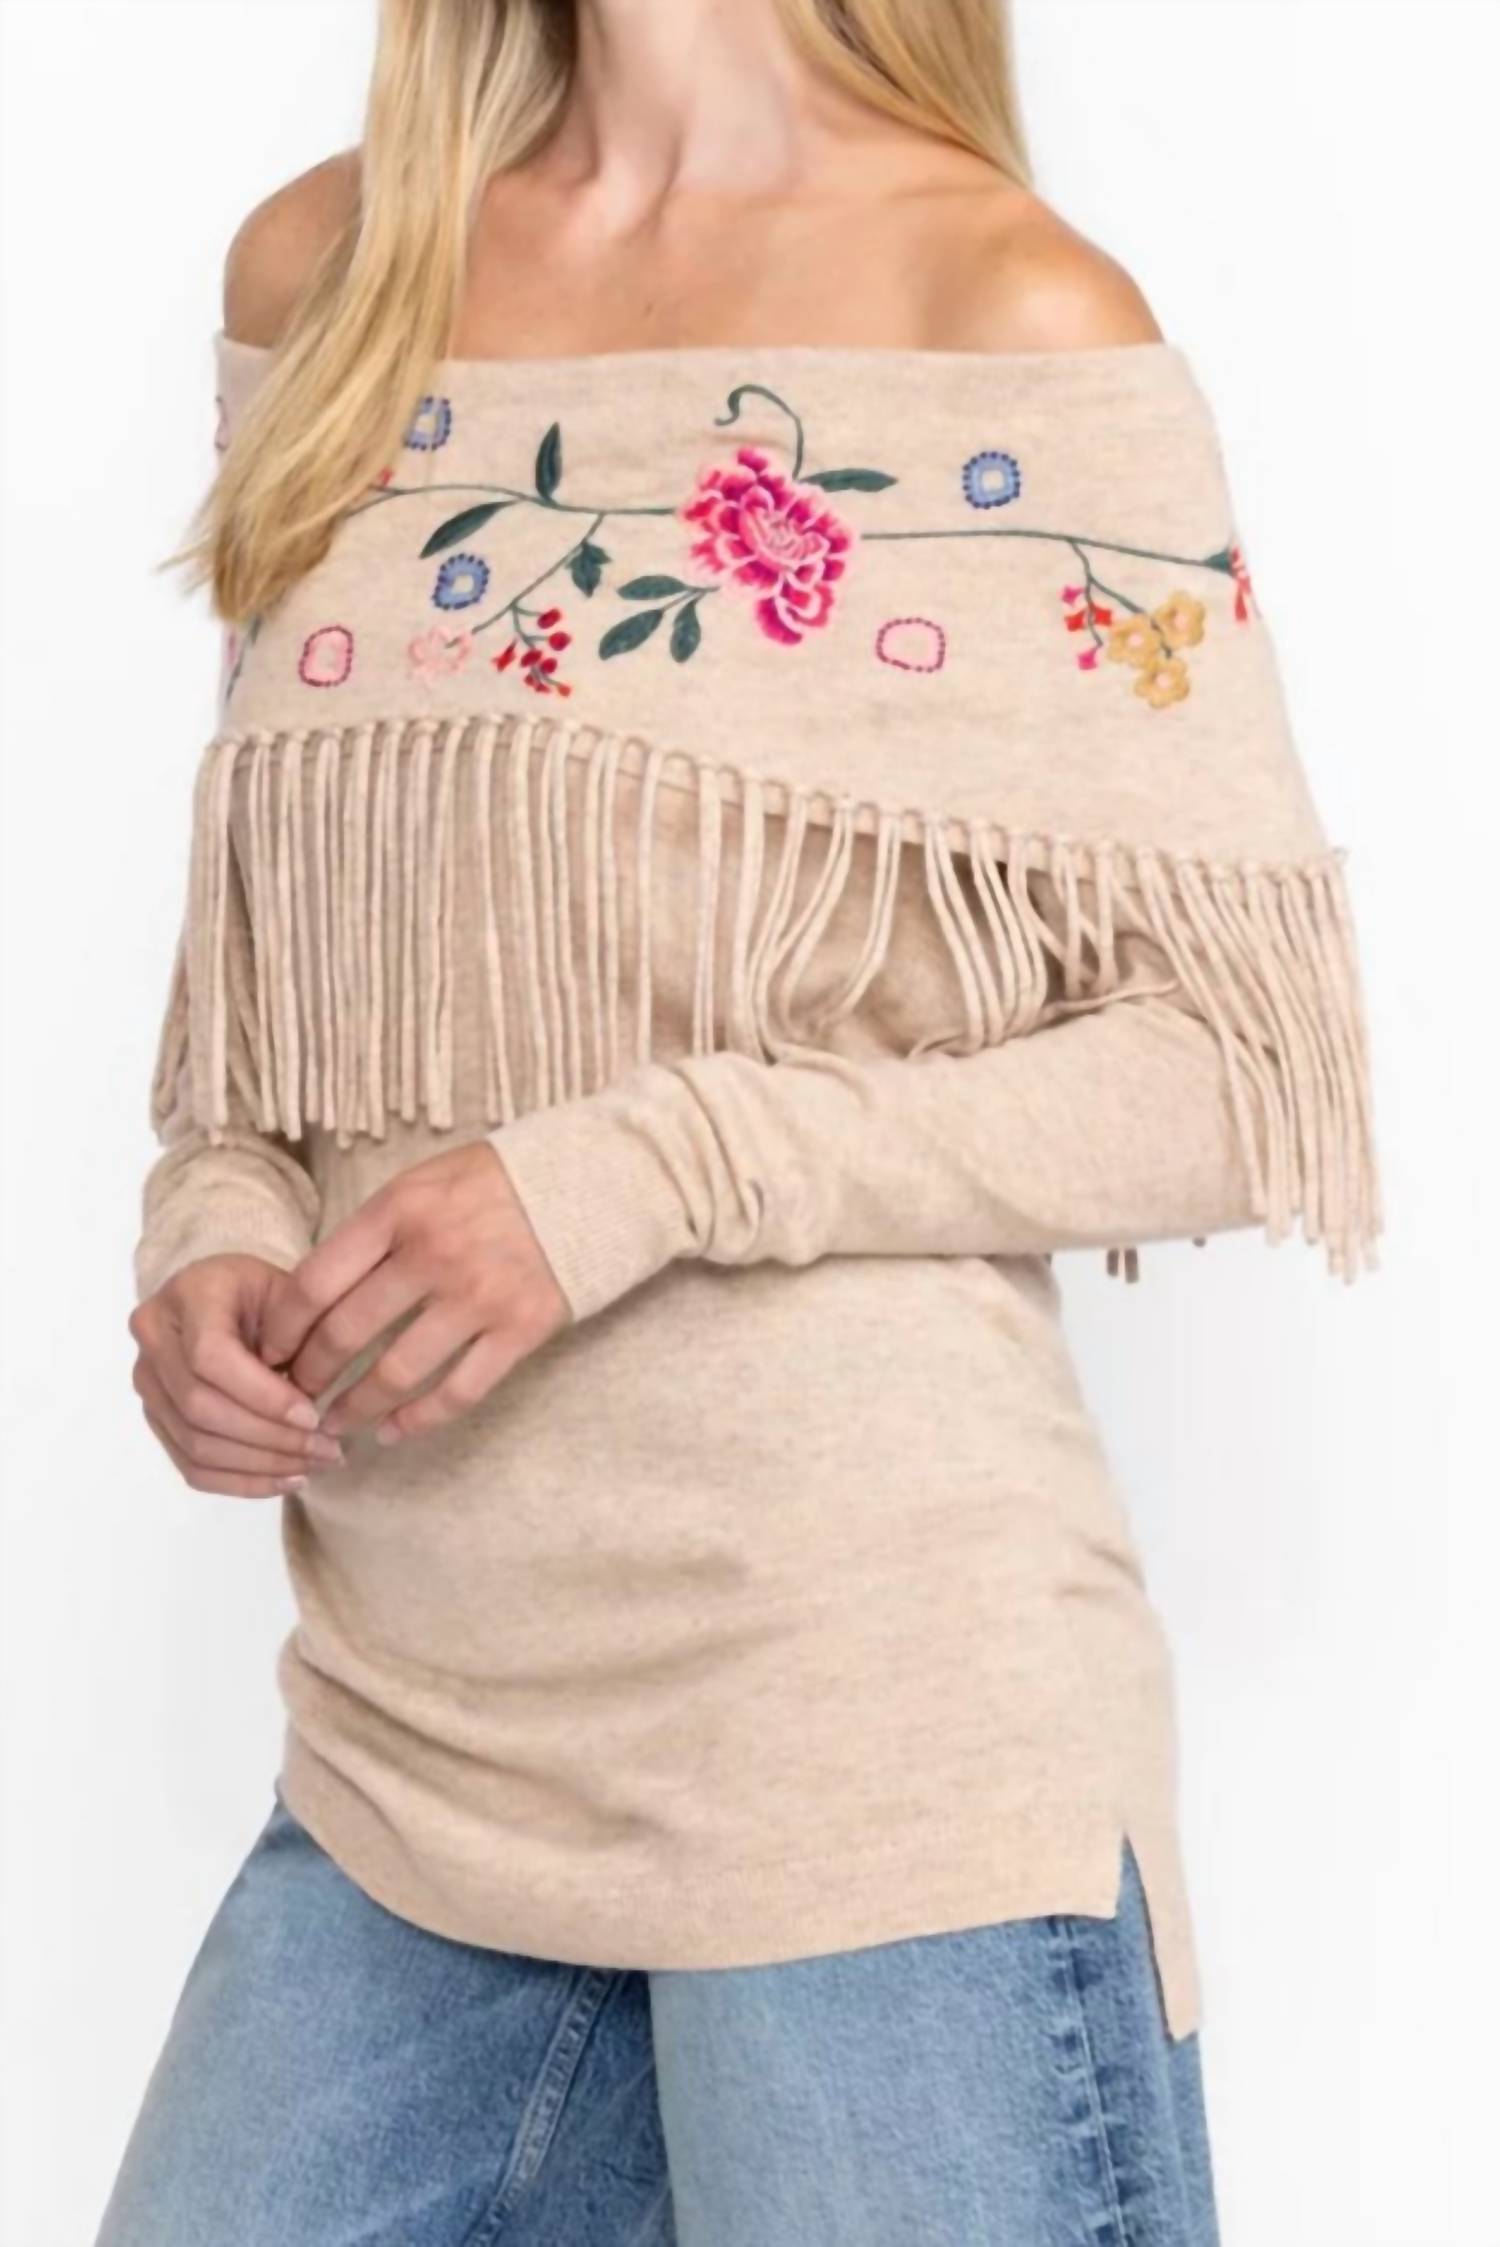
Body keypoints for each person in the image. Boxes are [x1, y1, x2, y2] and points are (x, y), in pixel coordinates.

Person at [98, 2, 1380, 2241]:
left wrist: (637, 1176)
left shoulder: (1005, 312)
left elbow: (1231, 1071)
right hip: (410, 1753)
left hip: (876, 1745)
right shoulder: (331, 274)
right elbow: (283, 987)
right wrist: (209, 1231)